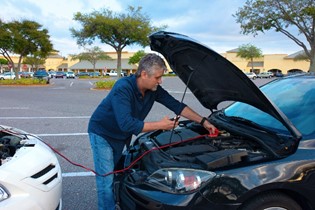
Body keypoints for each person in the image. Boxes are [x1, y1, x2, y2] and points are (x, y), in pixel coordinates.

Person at [88, 53, 217, 210]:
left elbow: (176, 105)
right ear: (144, 74)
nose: (160, 81)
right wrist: (161, 125)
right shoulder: (123, 88)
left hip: (120, 136)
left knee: (115, 171)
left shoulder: (153, 89)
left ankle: (117, 201)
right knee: (105, 180)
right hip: (103, 133)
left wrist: (203, 121)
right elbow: (127, 124)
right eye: (157, 77)